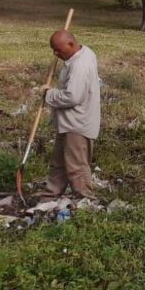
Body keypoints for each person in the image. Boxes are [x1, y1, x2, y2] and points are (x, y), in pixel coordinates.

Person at [39, 30, 101, 199]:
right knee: (59, 162)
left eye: (58, 50)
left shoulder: (80, 66)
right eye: (53, 50)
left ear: (71, 44)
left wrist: (49, 94)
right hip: (68, 122)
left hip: (77, 124)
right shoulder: (83, 53)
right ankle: (50, 195)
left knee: (77, 166)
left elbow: (72, 96)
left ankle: (85, 199)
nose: (55, 54)